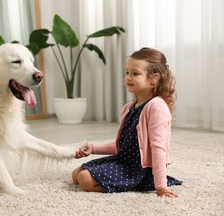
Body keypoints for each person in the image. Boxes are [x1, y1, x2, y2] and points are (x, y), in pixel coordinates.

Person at [72, 47, 182, 197]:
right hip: (123, 161)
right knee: (76, 174)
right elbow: (124, 146)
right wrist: (93, 148)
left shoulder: (157, 107)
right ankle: (124, 181)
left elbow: (159, 148)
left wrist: (161, 186)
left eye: (135, 73)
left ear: (154, 79)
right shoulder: (129, 107)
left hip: (140, 169)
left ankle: (138, 184)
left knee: (83, 179)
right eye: (127, 72)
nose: (128, 77)